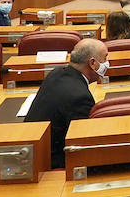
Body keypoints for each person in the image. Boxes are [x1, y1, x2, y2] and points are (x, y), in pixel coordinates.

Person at [25, 39, 109, 169]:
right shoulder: (80, 98)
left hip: (33, 150)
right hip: (51, 164)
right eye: (105, 58)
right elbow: (84, 145)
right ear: (92, 63)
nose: (107, 63)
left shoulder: (56, 73)